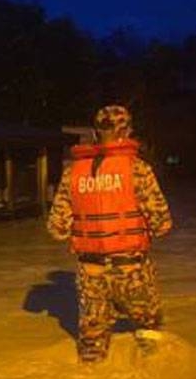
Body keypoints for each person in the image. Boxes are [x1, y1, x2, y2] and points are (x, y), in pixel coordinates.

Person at [46, 105, 174, 362]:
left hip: (90, 274)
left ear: (95, 132)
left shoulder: (72, 173)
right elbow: (162, 224)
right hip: (132, 271)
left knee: (91, 346)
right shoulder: (138, 169)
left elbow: (56, 230)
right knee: (150, 334)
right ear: (126, 132)